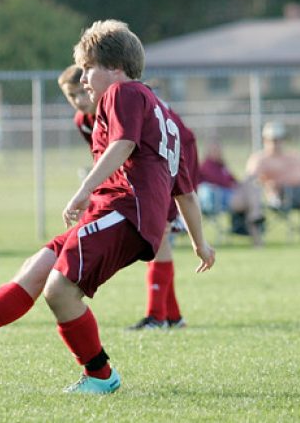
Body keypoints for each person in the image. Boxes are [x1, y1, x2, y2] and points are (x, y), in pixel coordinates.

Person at [0, 20, 215, 394]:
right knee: (36, 270)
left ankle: (101, 376)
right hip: (118, 211)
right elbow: (184, 191)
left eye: (89, 68)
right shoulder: (158, 111)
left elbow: (124, 146)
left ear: (116, 68)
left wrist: (85, 188)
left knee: (60, 291)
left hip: (124, 210)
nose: (83, 78)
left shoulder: (124, 93)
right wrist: (201, 242)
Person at [61, 64, 198, 330]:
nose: (80, 100)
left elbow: (145, 144)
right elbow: (106, 157)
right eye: (72, 96)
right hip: (144, 174)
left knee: (160, 236)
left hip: (168, 162)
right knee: (159, 238)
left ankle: (157, 316)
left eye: (82, 91)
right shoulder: (85, 120)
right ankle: (172, 316)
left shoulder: (124, 101)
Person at [245, 121, 300, 231]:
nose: (277, 143)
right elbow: (250, 180)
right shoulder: (260, 159)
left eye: (279, 139)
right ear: (265, 140)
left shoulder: (292, 155)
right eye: (273, 139)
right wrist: (270, 187)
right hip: (286, 194)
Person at [198, 140, 265, 245]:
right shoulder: (206, 166)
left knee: (252, 183)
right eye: (214, 150)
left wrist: (238, 184)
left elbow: (234, 181)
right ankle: (256, 216)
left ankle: (255, 222)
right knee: (252, 195)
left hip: (232, 195)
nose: (217, 152)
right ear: (208, 152)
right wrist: (234, 185)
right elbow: (220, 182)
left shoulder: (221, 166)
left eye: (218, 150)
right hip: (219, 199)